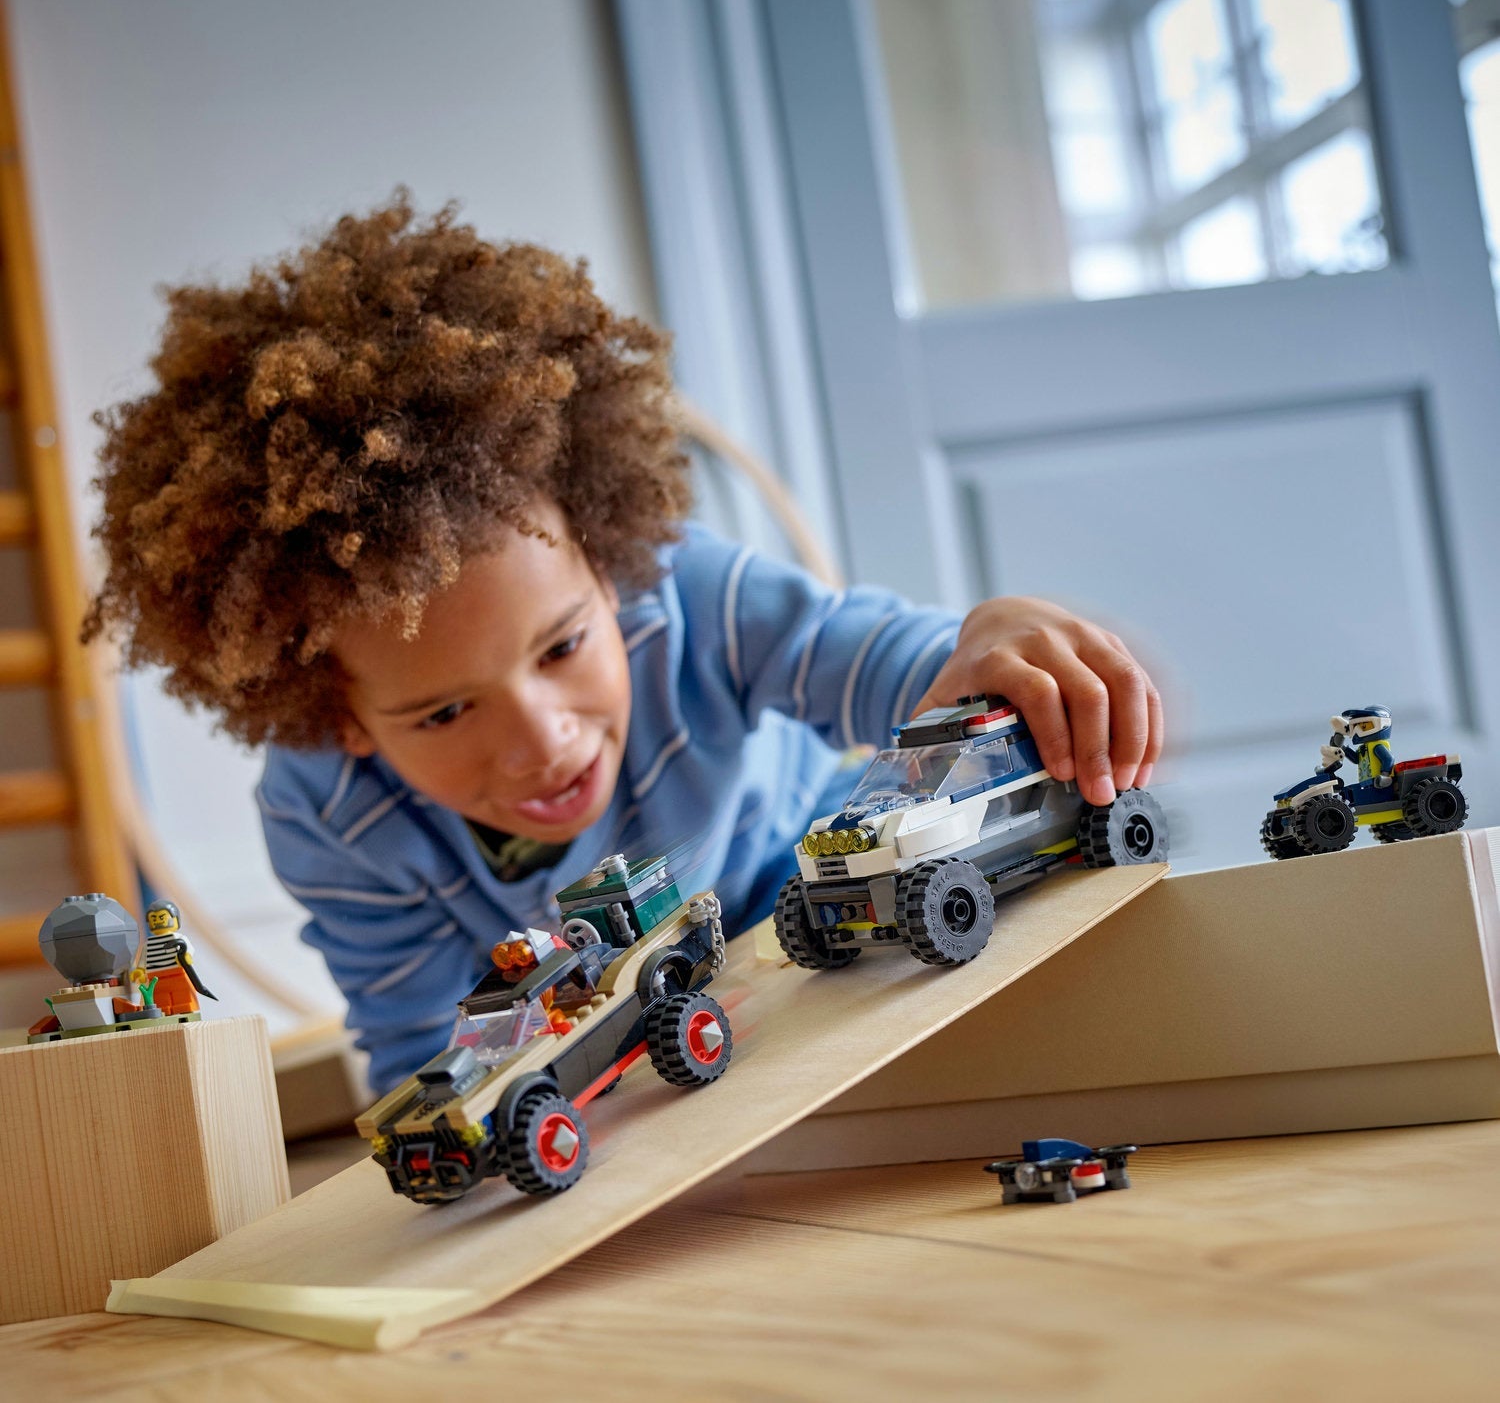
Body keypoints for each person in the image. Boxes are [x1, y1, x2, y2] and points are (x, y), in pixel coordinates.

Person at [85, 195, 1164, 1091]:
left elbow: (893, 666)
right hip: (633, 1016)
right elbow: (420, 1047)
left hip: (819, 901)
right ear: (340, 718)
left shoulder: (687, 596)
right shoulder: (329, 813)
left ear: (606, 567)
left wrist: (986, 632)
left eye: (561, 648)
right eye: (446, 712)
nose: (541, 742)